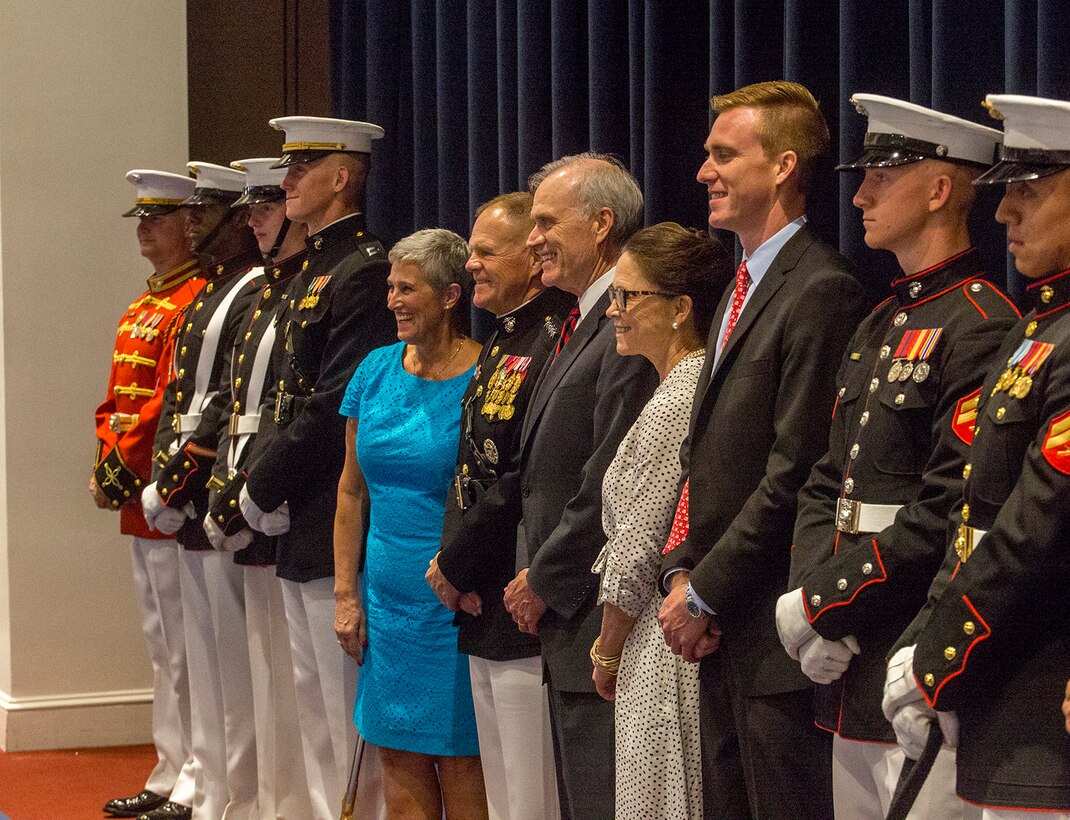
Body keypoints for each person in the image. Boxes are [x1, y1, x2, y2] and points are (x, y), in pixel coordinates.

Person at [775, 95, 1017, 819]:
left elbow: (948, 507)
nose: (859, 194)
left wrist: (825, 603)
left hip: (909, 646)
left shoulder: (979, 323)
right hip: (846, 654)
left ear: (940, 189)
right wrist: (809, 601)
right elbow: (827, 479)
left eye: (882, 176)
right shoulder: (884, 318)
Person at [657, 80, 867, 819]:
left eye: (722, 154)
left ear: (781, 166)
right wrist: (681, 571)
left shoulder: (821, 289)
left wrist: (707, 589)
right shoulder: (741, 283)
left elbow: (797, 470)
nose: (702, 173)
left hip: (773, 635)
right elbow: (707, 457)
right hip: (719, 629)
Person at [883, 94, 1070, 819]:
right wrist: (928, 640)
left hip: (1039, 688)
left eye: (1028, 190)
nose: (1003, 213)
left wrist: (938, 655)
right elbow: (975, 515)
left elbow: (1037, 524)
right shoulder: (1039, 327)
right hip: (998, 674)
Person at [238, 116, 395, 820]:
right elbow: (283, 393)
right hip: (298, 510)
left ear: (341, 176)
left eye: (303, 166)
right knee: (309, 697)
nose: (288, 178)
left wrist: (261, 481)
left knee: (339, 706)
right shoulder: (315, 269)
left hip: (329, 499)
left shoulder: (363, 269)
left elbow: (336, 400)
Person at [502, 153, 658, 819]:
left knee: (600, 797)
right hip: (568, 614)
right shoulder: (576, 324)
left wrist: (543, 576)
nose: (531, 238)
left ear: (600, 223)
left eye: (545, 222)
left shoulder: (623, 329)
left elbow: (608, 480)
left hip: (597, 609)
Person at [426, 192, 571, 820]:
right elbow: (471, 474)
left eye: (486, 251)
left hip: (518, 593)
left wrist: (457, 564)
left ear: (532, 258)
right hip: (482, 589)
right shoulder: (504, 338)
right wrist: (459, 571)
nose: (472, 264)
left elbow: (522, 477)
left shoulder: (551, 340)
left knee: (530, 788)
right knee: (504, 791)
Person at [335, 228, 485, 819]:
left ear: (451, 295)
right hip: (385, 599)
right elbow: (351, 491)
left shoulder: (484, 375)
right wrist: (347, 595)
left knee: (459, 758)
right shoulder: (374, 369)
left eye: (408, 287)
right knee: (394, 752)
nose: (394, 299)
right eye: (391, 287)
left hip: (450, 599)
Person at [590, 222, 730, 819]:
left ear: (680, 308)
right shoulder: (675, 384)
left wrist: (606, 649)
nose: (613, 312)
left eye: (628, 297)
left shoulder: (682, 393)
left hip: (658, 646)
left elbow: (639, 548)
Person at [140, 160, 264, 820]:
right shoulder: (212, 293)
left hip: (218, 489)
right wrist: (165, 475)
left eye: (203, 210)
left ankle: (232, 797)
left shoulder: (246, 289)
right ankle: (208, 786)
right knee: (205, 661)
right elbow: (179, 397)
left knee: (235, 672)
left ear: (235, 218)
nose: (192, 222)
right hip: (188, 488)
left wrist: (185, 479)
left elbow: (223, 402)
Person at [201, 157, 314, 819]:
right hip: (249, 481)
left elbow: (301, 408)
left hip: (287, 492)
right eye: (252, 210)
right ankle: (264, 802)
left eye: (266, 207)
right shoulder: (271, 288)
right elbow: (234, 398)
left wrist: (255, 489)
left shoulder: (302, 287)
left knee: (296, 685)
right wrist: (224, 484)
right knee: (262, 671)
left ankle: (285, 804)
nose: (255, 221)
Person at [95, 170, 202, 820]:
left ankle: (193, 773)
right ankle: (170, 764)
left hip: (168, 492)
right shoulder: (142, 307)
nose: (144, 229)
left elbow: (170, 400)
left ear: (189, 225)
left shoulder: (193, 302)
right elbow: (117, 399)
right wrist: (107, 460)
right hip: (138, 498)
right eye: (141, 218)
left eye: (156, 218)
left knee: (187, 648)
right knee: (162, 644)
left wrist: (127, 463)